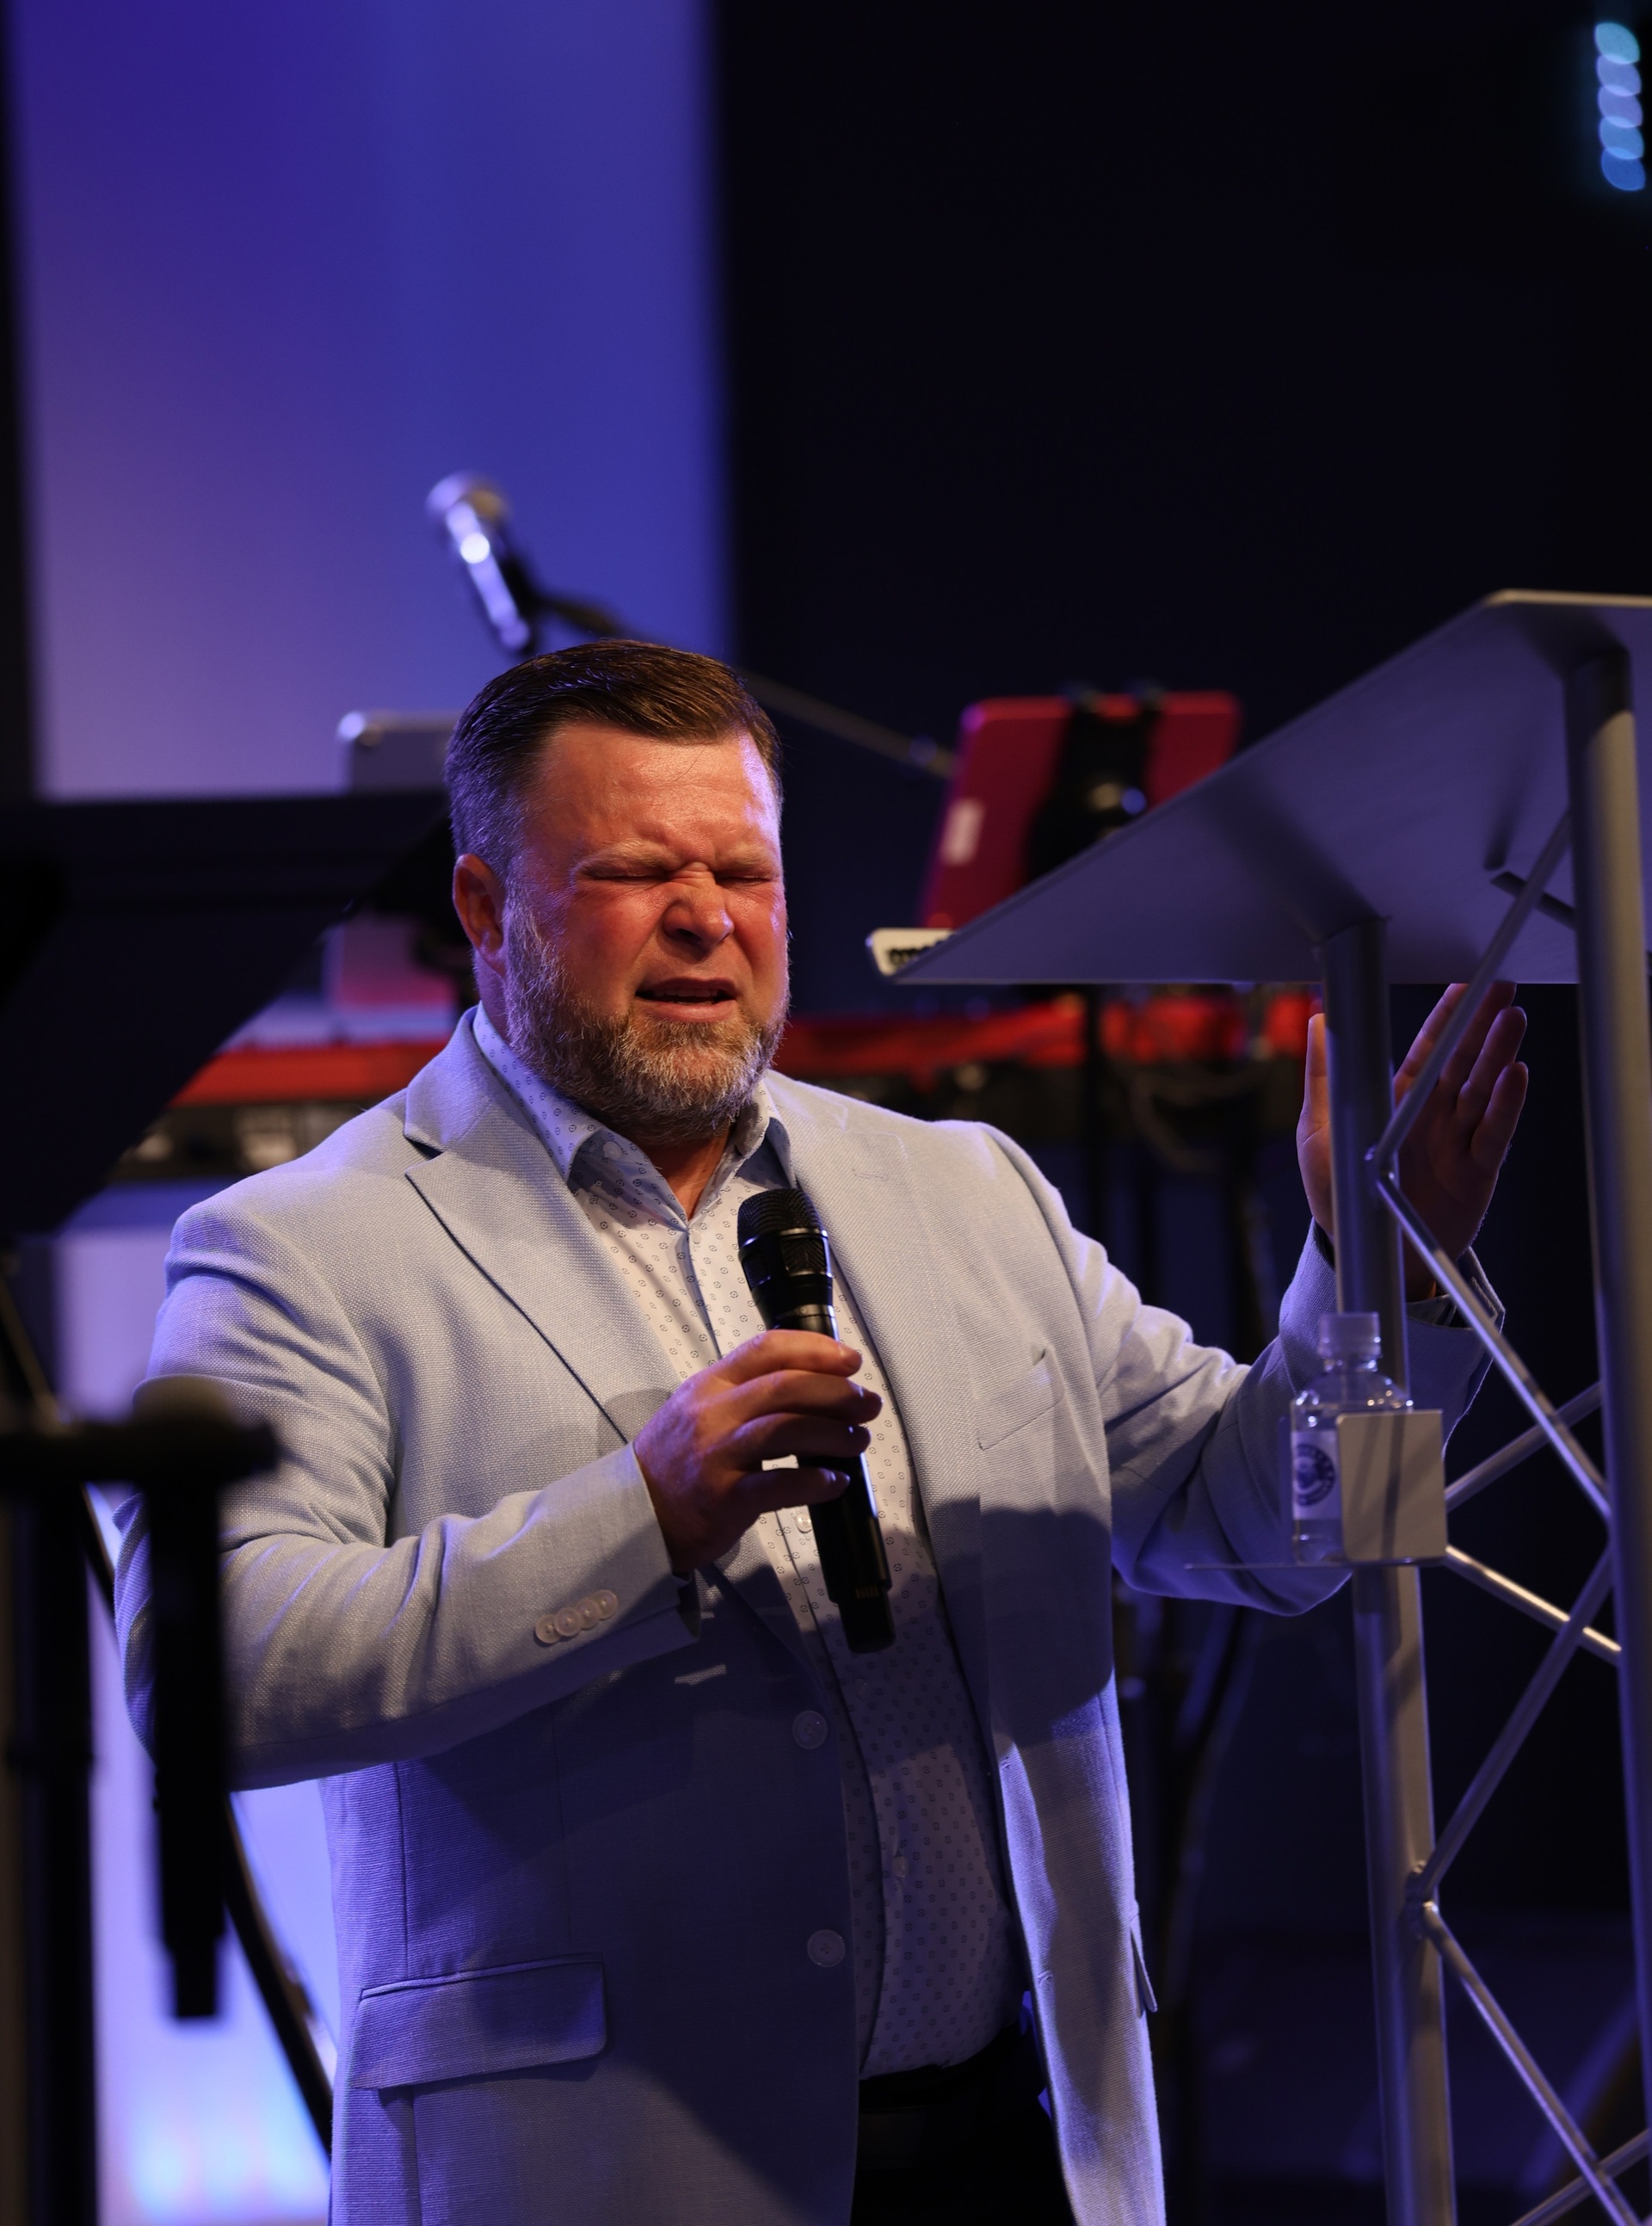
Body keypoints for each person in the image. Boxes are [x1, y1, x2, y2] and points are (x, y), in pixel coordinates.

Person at [115, 644, 1526, 2226]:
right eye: (634, 871)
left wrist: (1386, 1277)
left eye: (742, 871)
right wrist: (641, 1518)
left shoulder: (968, 1193)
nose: (704, 917)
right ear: (483, 907)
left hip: (1016, 2159)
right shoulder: (305, 1245)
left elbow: (1289, 1534)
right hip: (604, 2182)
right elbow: (211, 1678)